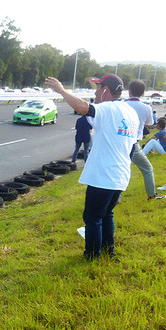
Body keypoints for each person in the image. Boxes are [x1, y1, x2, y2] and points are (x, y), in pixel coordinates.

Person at [45, 74, 139, 259]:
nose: (95, 92)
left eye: (98, 88)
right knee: (107, 214)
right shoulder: (129, 112)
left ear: (105, 90)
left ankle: (92, 256)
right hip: (120, 175)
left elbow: (82, 107)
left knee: (93, 218)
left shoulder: (108, 108)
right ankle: (108, 252)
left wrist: (61, 91)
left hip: (103, 175)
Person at [126, 79, 166, 200]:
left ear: (129, 92)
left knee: (120, 171)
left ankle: (115, 200)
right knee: (147, 169)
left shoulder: (123, 104)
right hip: (134, 144)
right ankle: (151, 195)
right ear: (143, 93)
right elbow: (149, 123)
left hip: (120, 143)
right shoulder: (146, 107)